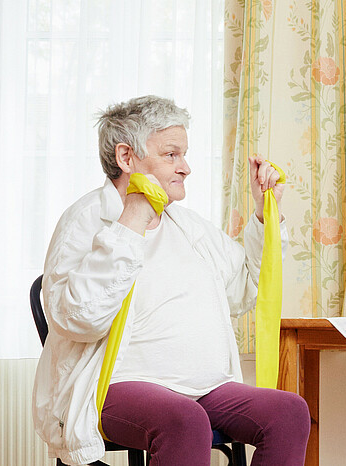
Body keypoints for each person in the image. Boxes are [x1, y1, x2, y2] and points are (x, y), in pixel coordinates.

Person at [33, 95, 309, 466]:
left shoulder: (188, 225)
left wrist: (263, 216)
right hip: (114, 386)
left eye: (184, 154)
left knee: (289, 411)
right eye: (171, 155)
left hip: (206, 388)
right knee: (185, 420)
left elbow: (246, 289)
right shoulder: (85, 220)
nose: (186, 167)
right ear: (126, 157)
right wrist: (130, 223)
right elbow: (77, 319)